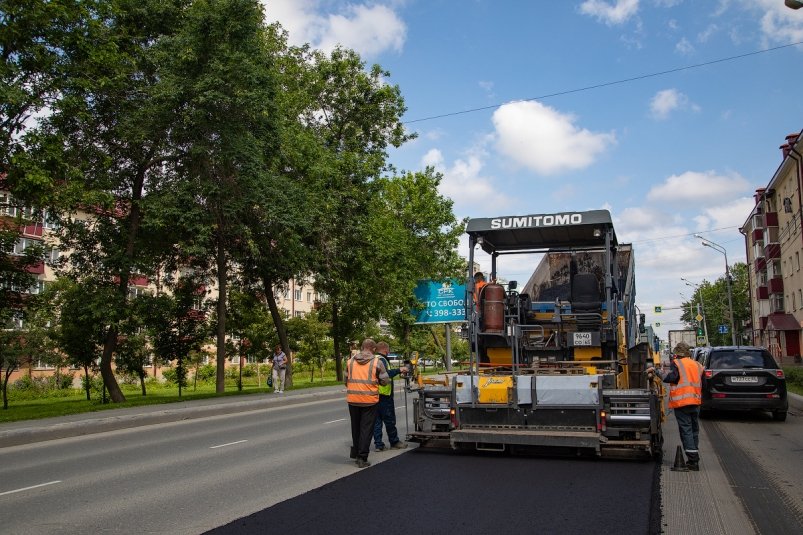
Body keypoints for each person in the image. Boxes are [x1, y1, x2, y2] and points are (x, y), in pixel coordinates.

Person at [646, 341, 704, 471]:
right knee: (694, 430)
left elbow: (670, 378)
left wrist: (656, 372)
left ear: (677, 354)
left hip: (682, 403)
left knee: (686, 430)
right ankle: (694, 455)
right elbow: (702, 383)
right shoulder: (697, 365)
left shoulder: (677, 363)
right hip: (696, 402)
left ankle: (693, 461)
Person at [345, 338, 389, 468]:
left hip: (353, 399)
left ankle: (356, 452)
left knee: (356, 428)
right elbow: (385, 380)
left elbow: (345, 379)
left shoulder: (350, 361)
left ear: (362, 347)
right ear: (373, 349)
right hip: (369, 401)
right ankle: (362, 458)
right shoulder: (377, 362)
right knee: (366, 429)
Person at [373, 341, 409, 452]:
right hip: (384, 395)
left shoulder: (373, 359)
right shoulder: (382, 359)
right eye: (388, 350)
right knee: (389, 420)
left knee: (377, 421)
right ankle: (394, 442)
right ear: (385, 350)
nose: (388, 352)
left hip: (374, 394)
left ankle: (379, 445)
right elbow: (386, 374)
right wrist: (400, 370)